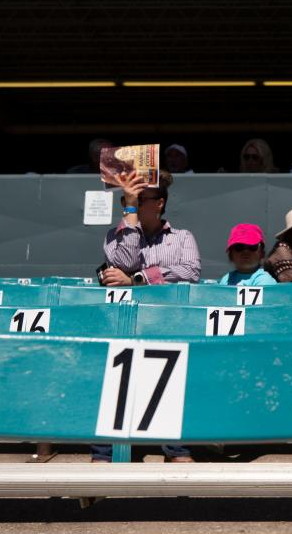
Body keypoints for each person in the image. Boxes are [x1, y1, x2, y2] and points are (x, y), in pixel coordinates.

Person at [97, 168, 200, 463]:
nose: (134, 204)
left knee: (168, 375)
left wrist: (138, 279)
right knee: (118, 375)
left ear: (160, 203)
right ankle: (107, 449)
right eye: (128, 201)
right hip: (124, 322)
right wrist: (130, 210)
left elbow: (189, 273)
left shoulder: (182, 237)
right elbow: (125, 259)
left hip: (168, 322)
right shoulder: (116, 235)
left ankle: (175, 448)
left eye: (141, 199)